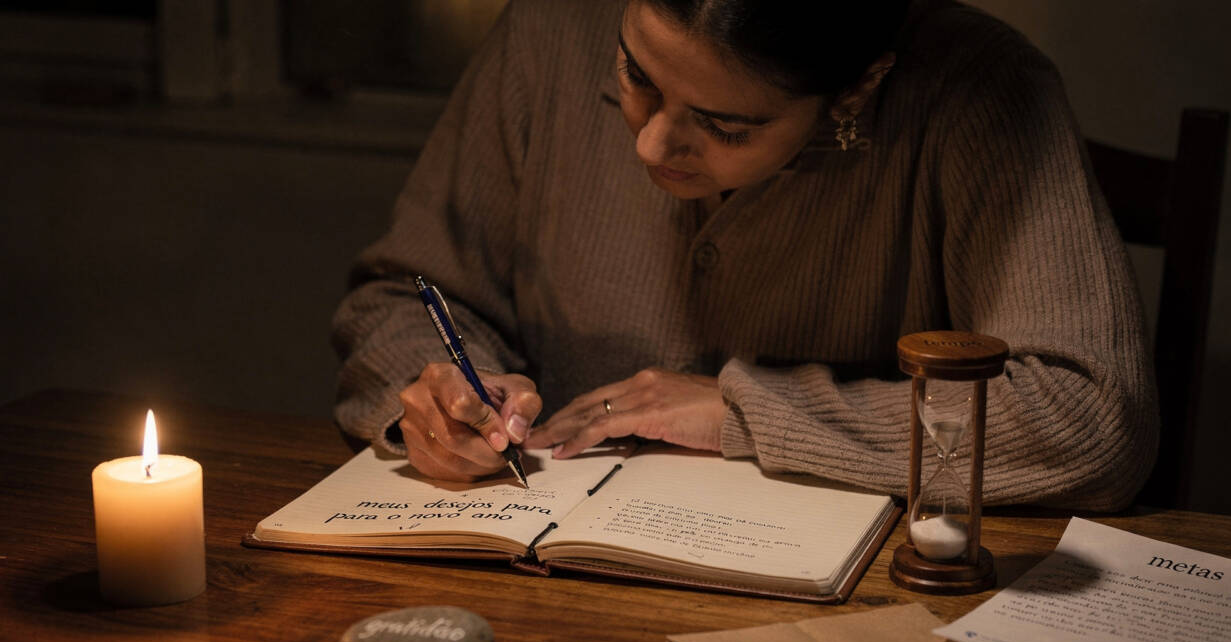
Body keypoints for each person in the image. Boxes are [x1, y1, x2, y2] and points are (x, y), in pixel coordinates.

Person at [332, 0, 1158, 511]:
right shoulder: (550, 30)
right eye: (636, 75)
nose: (652, 144)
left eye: (724, 126)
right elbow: (400, 296)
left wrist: (744, 412)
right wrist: (447, 399)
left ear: (857, 90)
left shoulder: (976, 90)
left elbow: (1088, 418)